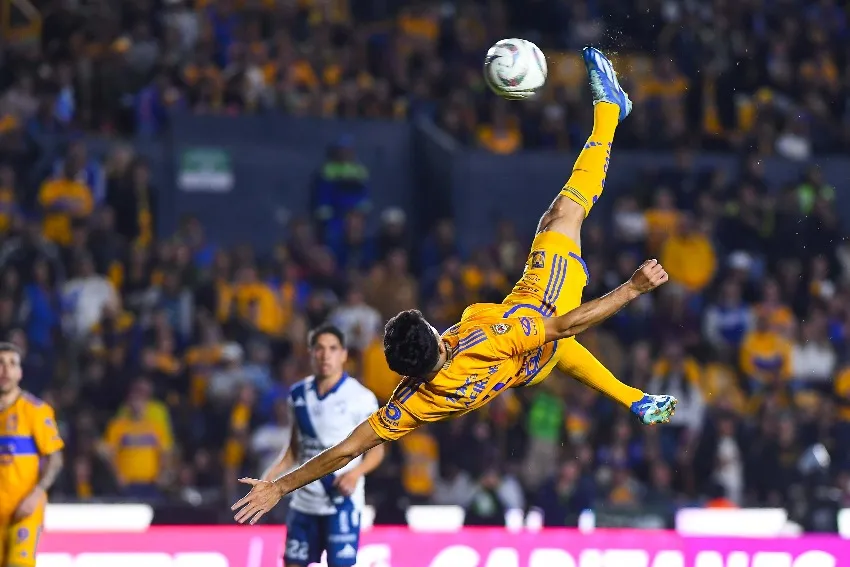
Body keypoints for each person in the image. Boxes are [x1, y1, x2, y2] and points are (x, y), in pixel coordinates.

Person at [232, 47, 676, 525]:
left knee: (549, 353)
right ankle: (610, 110)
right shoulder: (488, 336)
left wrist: (279, 486)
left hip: (525, 369)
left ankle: (635, 398)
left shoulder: (410, 405)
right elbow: (563, 325)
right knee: (564, 212)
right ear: (435, 339)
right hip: (545, 299)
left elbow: (343, 451)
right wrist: (631, 289)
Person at [260, 324, 385, 567]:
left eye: (333, 348)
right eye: (319, 349)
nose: (325, 355)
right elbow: (295, 450)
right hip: (304, 502)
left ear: (344, 354)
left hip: (340, 501)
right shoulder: (298, 394)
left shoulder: (361, 398)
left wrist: (356, 473)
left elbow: (377, 451)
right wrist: (269, 480)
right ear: (311, 354)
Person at [0, 343, 64, 567]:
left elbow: (55, 458)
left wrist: (36, 494)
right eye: (0, 363)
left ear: (20, 372)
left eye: (12, 364)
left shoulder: (35, 410)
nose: (5, 370)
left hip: (23, 510)